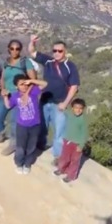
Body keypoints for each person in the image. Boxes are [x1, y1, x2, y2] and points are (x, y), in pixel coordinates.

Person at [28, 34, 81, 163]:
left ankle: (58, 156)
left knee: (59, 132)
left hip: (59, 104)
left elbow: (74, 87)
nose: (57, 53)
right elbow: (32, 52)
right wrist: (32, 42)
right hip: (45, 101)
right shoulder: (48, 62)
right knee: (41, 126)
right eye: (54, 51)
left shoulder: (71, 66)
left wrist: (65, 103)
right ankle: (39, 146)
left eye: (60, 51)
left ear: (65, 52)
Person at [0, 39, 38, 156]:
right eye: (12, 48)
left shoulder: (25, 62)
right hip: (6, 95)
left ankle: (13, 143)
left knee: (14, 121)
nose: (14, 51)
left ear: (20, 50)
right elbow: (2, 77)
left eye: (17, 49)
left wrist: (26, 94)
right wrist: (2, 89)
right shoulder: (5, 63)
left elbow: (33, 80)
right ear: (8, 49)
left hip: (19, 96)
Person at [2, 74, 48, 174]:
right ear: (16, 86)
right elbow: (8, 106)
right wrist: (5, 97)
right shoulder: (15, 96)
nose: (24, 86)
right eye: (21, 84)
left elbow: (45, 84)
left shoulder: (33, 92)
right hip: (22, 126)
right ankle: (19, 163)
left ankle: (27, 164)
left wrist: (31, 80)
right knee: (20, 147)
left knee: (31, 146)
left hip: (35, 125)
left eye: (25, 83)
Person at [54, 99, 89, 183]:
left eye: (80, 108)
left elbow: (85, 134)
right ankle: (61, 169)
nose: (78, 110)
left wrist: (81, 146)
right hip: (67, 141)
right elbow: (63, 110)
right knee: (64, 157)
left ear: (83, 109)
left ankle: (71, 176)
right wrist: (60, 107)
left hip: (77, 144)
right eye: (76, 108)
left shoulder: (83, 120)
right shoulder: (69, 114)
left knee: (74, 161)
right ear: (72, 108)